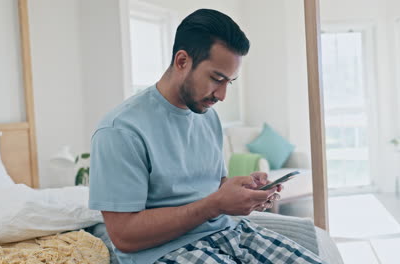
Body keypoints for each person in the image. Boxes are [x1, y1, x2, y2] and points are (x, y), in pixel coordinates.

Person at [89, 8, 322, 264]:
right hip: (164, 252)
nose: (221, 95)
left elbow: (213, 187)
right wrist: (215, 205)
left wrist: (243, 191)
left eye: (228, 82)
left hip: (227, 233)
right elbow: (124, 236)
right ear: (182, 61)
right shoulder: (120, 130)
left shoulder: (207, 117)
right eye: (216, 79)